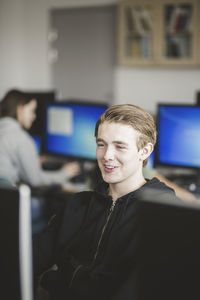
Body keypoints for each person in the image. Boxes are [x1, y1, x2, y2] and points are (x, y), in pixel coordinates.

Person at [33, 104, 180, 300]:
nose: (106, 156)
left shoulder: (161, 211)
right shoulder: (78, 204)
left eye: (119, 146)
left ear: (144, 151)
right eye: (101, 144)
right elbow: (30, 256)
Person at [0, 89, 80, 187]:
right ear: (20, 110)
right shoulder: (21, 138)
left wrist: (30, 161)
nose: (34, 116)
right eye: (32, 111)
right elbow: (35, 180)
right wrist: (64, 173)